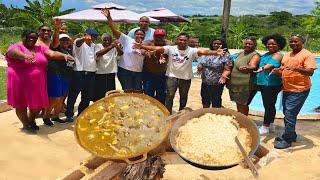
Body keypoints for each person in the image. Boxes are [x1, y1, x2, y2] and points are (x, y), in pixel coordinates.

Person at [133, 32, 225, 114]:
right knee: (169, 96)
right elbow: (157, 48)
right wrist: (142, 46)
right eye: (180, 40)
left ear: (188, 41)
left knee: (183, 97)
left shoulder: (192, 50)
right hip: (171, 76)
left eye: (185, 40)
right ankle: (168, 113)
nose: (182, 42)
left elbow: (203, 51)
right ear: (177, 40)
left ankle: (181, 112)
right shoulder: (170, 49)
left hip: (185, 78)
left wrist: (214, 52)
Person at [5, 31, 74, 133]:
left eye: (34, 37)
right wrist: (24, 56)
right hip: (19, 82)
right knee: (21, 104)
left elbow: (52, 53)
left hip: (38, 83)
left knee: (38, 105)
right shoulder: (16, 46)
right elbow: (12, 53)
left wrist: (63, 55)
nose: (32, 39)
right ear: (23, 37)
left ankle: (31, 120)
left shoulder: (40, 48)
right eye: (29, 37)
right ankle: (26, 124)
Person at [271, 34, 317, 149]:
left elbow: (310, 72)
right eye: (291, 42)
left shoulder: (307, 55)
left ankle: (287, 139)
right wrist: (277, 71)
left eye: (296, 42)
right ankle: (291, 134)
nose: (293, 44)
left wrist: (296, 68)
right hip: (287, 88)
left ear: (302, 42)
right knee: (287, 113)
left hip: (299, 89)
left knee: (290, 114)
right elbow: (284, 69)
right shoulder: (287, 54)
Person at [102, 8, 145, 91]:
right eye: (138, 34)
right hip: (125, 71)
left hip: (138, 73)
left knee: (138, 92)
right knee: (127, 92)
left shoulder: (145, 45)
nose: (140, 36)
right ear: (134, 35)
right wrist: (109, 17)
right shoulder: (127, 40)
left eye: (142, 35)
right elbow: (115, 30)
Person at [253, 34, 286, 135]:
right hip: (264, 83)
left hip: (271, 84)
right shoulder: (267, 54)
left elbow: (271, 64)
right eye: (269, 44)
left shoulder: (278, 54)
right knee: (270, 105)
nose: (271, 46)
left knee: (268, 105)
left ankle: (265, 127)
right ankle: (270, 124)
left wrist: (262, 68)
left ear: (279, 45)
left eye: (273, 44)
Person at [65, 28, 98, 122]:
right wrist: (84, 38)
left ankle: (81, 114)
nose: (92, 37)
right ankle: (69, 114)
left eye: (95, 36)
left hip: (91, 73)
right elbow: (78, 42)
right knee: (73, 94)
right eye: (91, 35)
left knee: (87, 96)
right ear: (85, 35)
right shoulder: (79, 43)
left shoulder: (94, 46)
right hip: (79, 72)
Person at [43, 33, 74, 125]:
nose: (64, 41)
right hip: (56, 75)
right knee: (54, 98)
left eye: (66, 40)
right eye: (62, 40)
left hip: (67, 77)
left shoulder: (69, 50)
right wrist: (57, 30)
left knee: (61, 98)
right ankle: (46, 116)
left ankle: (55, 116)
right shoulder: (55, 48)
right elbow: (54, 43)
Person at [228, 37, 260, 116]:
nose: (247, 45)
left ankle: (244, 121)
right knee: (239, 104)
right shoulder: (241, 53)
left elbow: (253, 65)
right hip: (235, 85)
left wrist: (248, 68)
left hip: (245, 86)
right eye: (246, 43)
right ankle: (241, 119)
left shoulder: (255, 55)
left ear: (255, 45)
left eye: (250, 44)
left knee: (243, 105)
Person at [197, 37, 232, 108]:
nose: (216, 45)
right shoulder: (208, 53)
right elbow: (201, 62)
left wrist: (224, 76)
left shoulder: (226, 55)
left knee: (216, 101)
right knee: (205, 99)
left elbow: (227, 69)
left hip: (217, 82)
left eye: (219, 44)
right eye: (214, 43)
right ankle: (206, 114)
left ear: (223, 45)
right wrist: (200, 66)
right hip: (205, 81)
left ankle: (215, 115)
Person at [142, 29, 170, 104]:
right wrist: (146, 52)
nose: (159, 38)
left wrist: (157, 53)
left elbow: (163, 60)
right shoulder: (148, 43)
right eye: (157, 36)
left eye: (161, 36)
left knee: (161, 94)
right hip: (149, 73)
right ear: (154, 36)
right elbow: (141, 48)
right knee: (148, 93)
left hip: (162, 73)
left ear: (165, 37)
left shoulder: (168, 45)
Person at [93, 33, 123, 101]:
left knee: (110, 94)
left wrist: (117, 46)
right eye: (105, 40)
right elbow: (98, 53)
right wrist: (111, 46)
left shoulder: (114, 47)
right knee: (99, 95)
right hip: (100, 73)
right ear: (102, 40)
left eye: (109, 40)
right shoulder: (98, 46)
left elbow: (121, 53)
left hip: (110, 73)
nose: (107, 42)